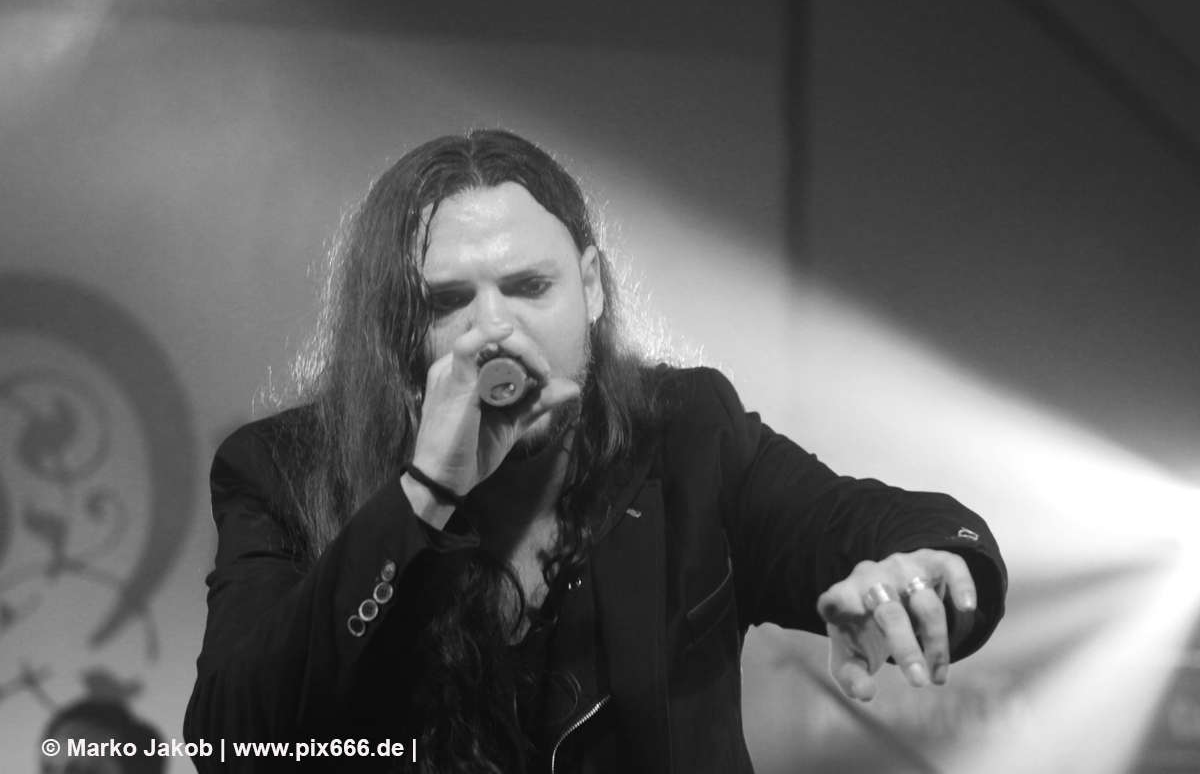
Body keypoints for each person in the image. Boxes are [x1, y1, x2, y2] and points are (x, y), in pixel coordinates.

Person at [184, 129, 1006, 773]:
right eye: (448, 301)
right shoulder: (284, 470)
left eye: (529, 287)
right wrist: (423, 495)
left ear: (592, 288)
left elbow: (867, 522)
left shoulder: (689, 437)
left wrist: (930, 569)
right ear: (400, 328)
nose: (494, 329)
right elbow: (232, 743)